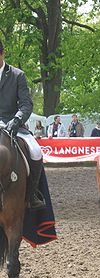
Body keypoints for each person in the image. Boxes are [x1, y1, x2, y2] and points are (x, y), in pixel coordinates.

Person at [0, 39, 45, 209]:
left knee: (36, 151)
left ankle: (32, 194)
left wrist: (17, 120)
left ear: (2, 53)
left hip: (13, 124)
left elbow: (26, 104)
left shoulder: (17, 75)